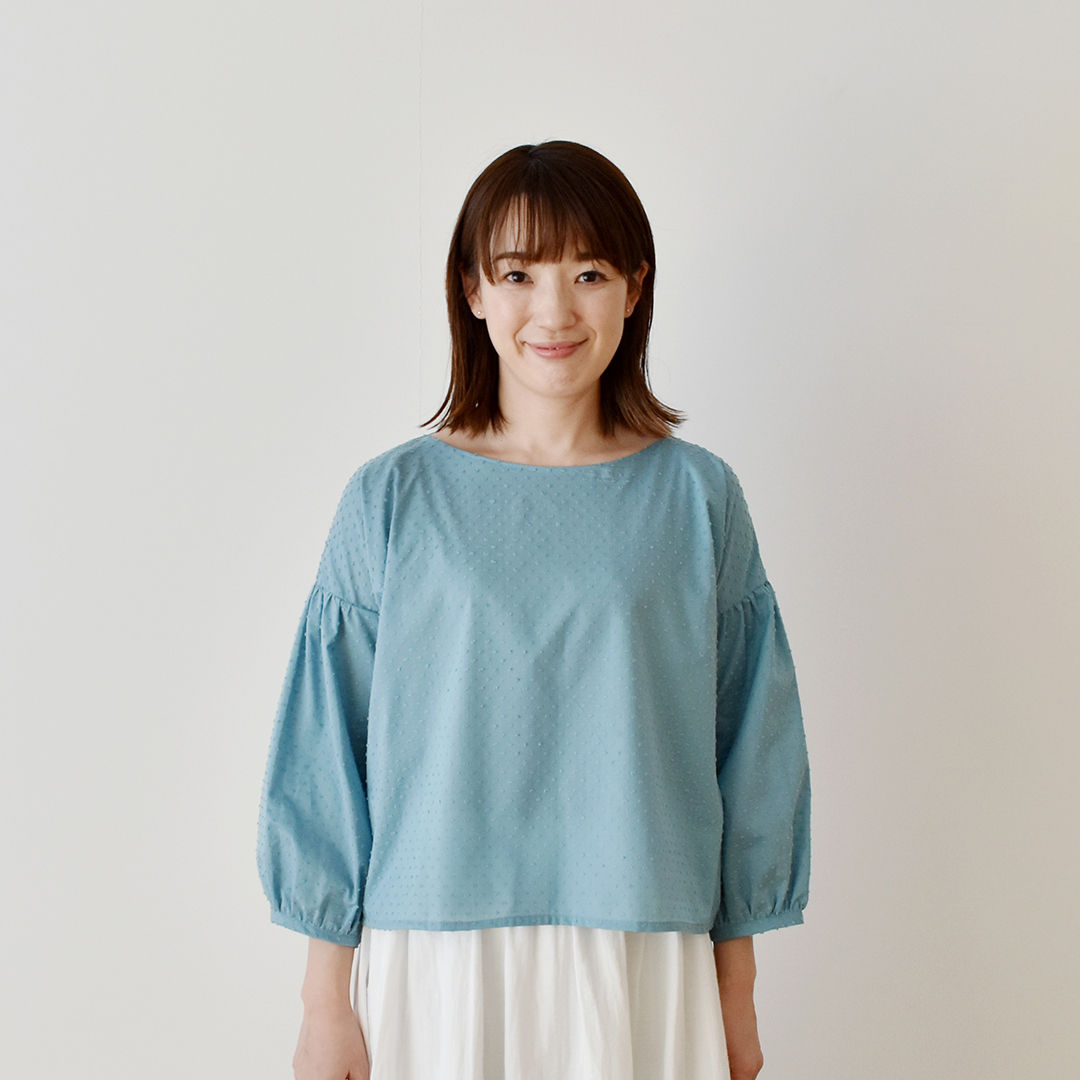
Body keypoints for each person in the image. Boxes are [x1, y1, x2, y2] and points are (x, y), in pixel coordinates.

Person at [257, 140, 810, 1080]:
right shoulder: (392, 498)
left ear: (634, 289)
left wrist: (737, 990)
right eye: (518, 273)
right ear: (472, 289)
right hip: (435, 953)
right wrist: (323, 1000)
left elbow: (752, 744)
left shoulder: (698, 498)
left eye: (589, 273)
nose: (554, 311)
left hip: (646, 949)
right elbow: (325, 744)